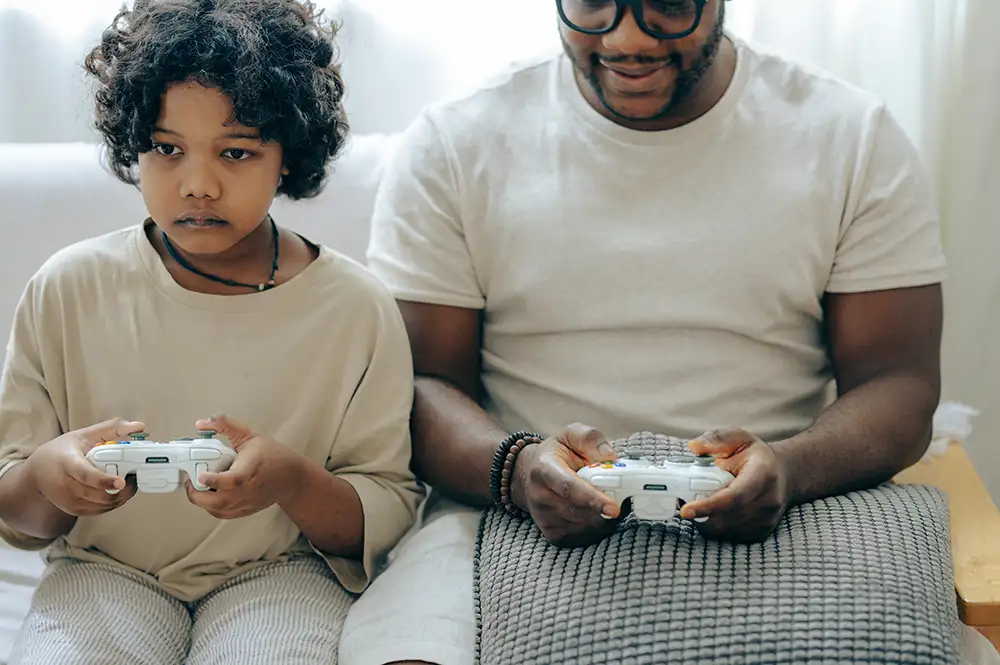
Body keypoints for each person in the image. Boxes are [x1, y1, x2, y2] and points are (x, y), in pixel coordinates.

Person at [339, 0, 949, 663]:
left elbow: (900, 382)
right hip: (506, 495)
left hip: (793, 497)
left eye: (667, 4)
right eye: (595, 3)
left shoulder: (850, 136)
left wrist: (793, 468)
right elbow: (420, 382)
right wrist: (516, 469)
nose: (628, 37)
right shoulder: (455, 142)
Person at [0, 1, 422, 663]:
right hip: (102, 571)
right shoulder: (68, 288)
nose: (198, 184)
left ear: (288, 156)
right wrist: (49, 481)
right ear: (134, 144)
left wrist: (292, 481)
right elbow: (15, 510)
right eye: (167, 149)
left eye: (236, 151)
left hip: (280, 574)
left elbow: (385, 511)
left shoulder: (354, 309)